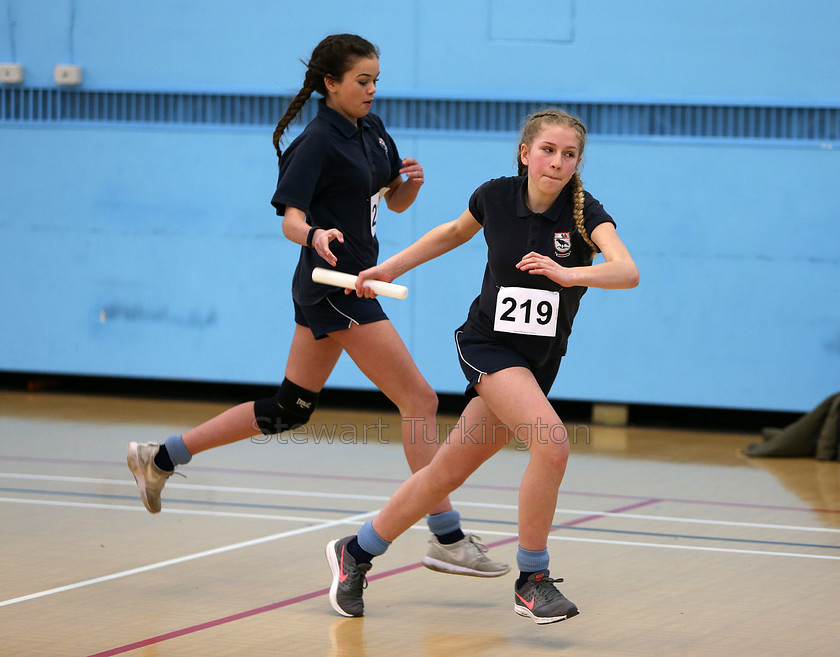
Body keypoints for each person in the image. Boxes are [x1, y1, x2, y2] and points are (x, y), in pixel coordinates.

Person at [126, 34, 508, 579]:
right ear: (331, 84)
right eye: (362, 81)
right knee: (420, 400)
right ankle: (446, 537)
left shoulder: (372, 130)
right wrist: (314, 236)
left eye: (376, 80)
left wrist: (409, 187)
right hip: (335, 285)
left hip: (348, 283)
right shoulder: (316, 142)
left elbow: (388, 200)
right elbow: (290, 220)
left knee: (288, 409)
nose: (373, 90)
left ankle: (158, 457)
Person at [326, 108, 639, 623]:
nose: (557, 162)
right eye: (548, 150)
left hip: (537, 364)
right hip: (488, 347)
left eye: (569, 154)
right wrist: (388, 267)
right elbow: (451, 233)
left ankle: (355, 552)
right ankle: (531, 579)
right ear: (525, 152)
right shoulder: (495, 195)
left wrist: (568, 273)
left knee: (440, 476)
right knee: (552, 443)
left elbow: (627, 271)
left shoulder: (585, 215)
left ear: (578, 162)